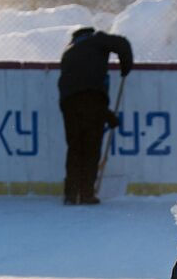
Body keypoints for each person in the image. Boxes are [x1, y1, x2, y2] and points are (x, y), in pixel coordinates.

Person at [57, 26, 133, 206]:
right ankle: (86, 194)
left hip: (68, 102)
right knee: (91, 147)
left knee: (75, 147)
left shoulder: (68, 52)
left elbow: (78, 87)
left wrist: (106, 115)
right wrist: (125, 66)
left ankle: (70, 195)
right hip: (92, 98)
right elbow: (122, 43)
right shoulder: (96, 39)